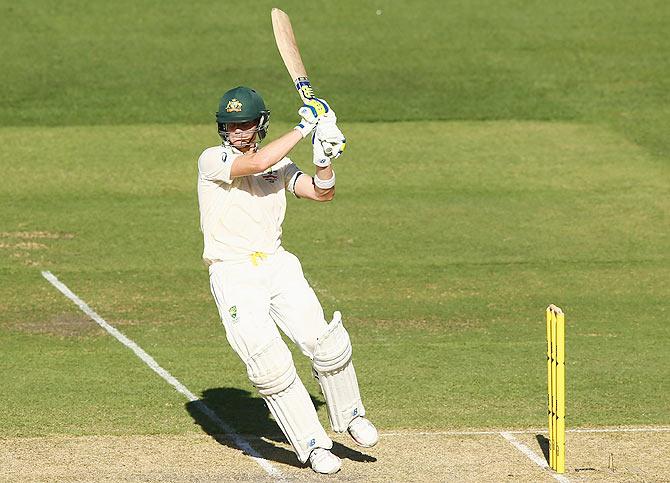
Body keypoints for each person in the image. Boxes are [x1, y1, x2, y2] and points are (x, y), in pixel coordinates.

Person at [197, 86, 378, 474]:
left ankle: (350, 415)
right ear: (221, 129)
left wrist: (324, 158)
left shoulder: (280, 164)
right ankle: (312, 446)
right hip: (233, 271)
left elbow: (319, 194)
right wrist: (304, 125)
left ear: (260, 124)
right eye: (231, 126)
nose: (239, 133)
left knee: (326, 343)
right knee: (270, 364)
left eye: (245, 124)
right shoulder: (212, 159)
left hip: (278, 264)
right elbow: (256, 162)